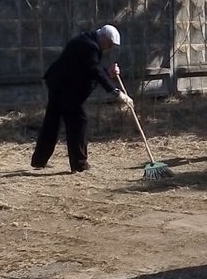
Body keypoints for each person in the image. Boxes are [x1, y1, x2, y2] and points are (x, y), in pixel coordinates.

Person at [31, 23, 133, 173]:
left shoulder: (87, 41)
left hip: (59, 84)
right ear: (103, 38)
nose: (109, 48)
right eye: (110, 44)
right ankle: (79, 164)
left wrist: (108, 72)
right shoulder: (90, 46)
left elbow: (89, 68)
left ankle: (39, 160)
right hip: (66, 89)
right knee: (78, 122)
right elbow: (94, 70)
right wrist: (116, 92)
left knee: (52, 122)